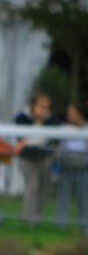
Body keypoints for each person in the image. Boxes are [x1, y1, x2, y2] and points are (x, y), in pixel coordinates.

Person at [14, 93, 58, 224]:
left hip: (44, 158)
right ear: (33, 106)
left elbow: (54, 140)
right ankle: (30, 219)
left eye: (47, 107)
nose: (44, 110)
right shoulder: (22, 118)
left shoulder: (52, 120)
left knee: (44, 188)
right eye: (41, 106)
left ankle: (38, 216)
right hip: (27, 158)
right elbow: (21, 140)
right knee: (32, 186)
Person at [56, 101, 88, 229]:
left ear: (80, 115)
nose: (69, 116)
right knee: (63, 198)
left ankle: (84, 227)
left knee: (84, 199)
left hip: (84, 170)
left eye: (72, 113)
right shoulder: (64, 129)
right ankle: (61, 226)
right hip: (66, 168)